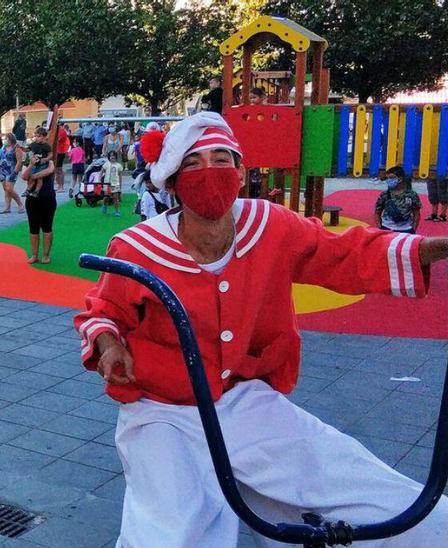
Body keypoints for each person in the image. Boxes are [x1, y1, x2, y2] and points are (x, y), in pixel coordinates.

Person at [74, 112, 448, 547]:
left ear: (240, 172)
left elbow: (344, 254)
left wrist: (433, 249)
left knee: (352, 479)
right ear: (172, 181)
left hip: (243, 398)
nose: (210, 172)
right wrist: (108, 344)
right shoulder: (136, 247)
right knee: (172, 526)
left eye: (221, 159)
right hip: (162, 410)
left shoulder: (269, 225)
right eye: (193, 163)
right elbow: (102, 311)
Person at [24, 141, 57, 264]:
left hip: (47, 197)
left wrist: (34, 176)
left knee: (47, 227)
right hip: (32, 200)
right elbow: (24, 176)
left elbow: (49, 171)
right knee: (33, 227)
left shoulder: (50, 162)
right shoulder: (31, 163)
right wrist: (31, 165)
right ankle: (34, 255)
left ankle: (46, 255)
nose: (35, 155)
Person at [375, 166, 421, 234]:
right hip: (386, 228)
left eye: (391, 178)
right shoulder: (384, 195)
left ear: (400, 179)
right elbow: (377, 212)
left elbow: (416, 214)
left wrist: (413, 229)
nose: (389, 180)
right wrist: (380, 227)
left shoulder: (411, 195)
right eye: (387, 178)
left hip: (406, 229)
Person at [0, 135, 25, 214]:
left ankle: (20, 204)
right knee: (6, 190)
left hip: (11, 170)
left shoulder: (16, 149)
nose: (5, 140)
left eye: (6, 139)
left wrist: (15, 172)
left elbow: (19, 161)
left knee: (9, 189)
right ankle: (7, 208)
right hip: (3, 170)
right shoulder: (3, 148)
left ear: (11, 140)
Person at [102, 152, 125, 217]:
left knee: (115, 198)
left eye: (113, 155)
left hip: (115, 184)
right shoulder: (106, 164)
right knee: (106, 197)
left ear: (116, 157)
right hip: (107, 184)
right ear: (109, 157)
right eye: (111, 156)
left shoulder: (119, 165)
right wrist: (99, 180)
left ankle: (116, 211)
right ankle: (104, 206)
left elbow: (120, 176)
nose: (112, 157)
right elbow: (101, 172)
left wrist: (120, 185)